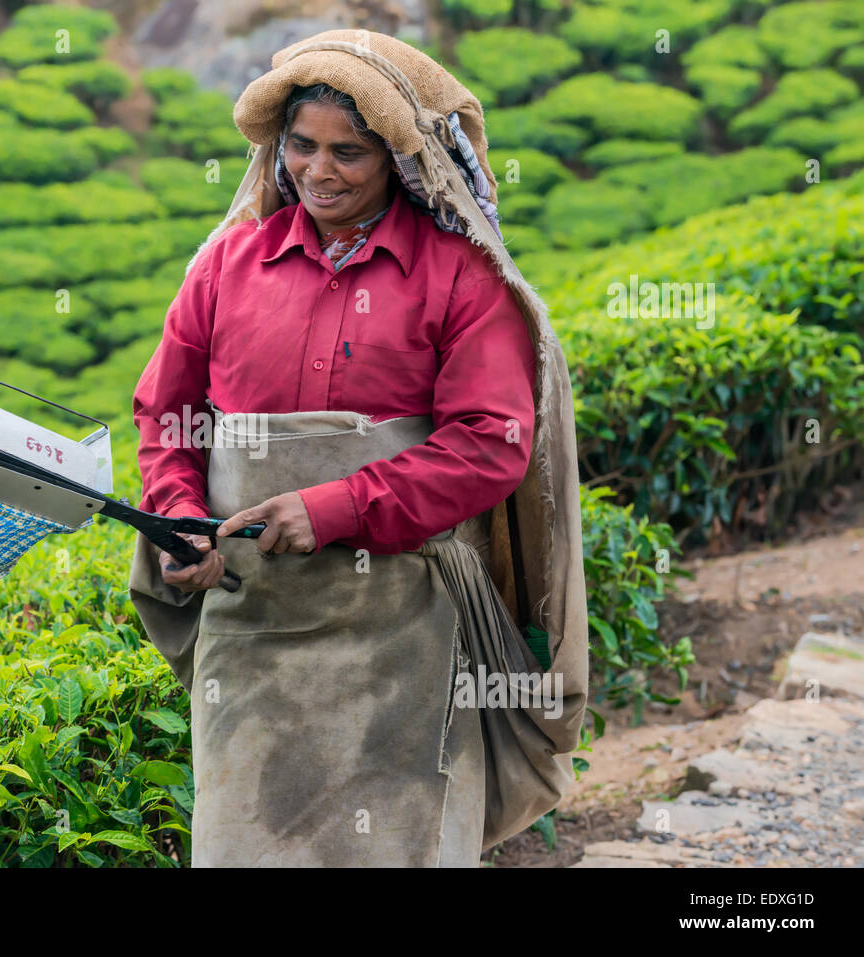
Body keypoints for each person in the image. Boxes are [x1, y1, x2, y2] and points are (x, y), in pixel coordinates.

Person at [128, 30, 588, 867]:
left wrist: (331, 507)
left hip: (400, 621)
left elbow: (490, 445)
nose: (319, 171)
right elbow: (167, 410)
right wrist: (180, 516)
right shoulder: (228, 265)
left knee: (400, 842)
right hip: (251, 616)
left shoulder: (457, 277)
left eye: (350, 153)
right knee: (244, 843)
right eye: (301, 146)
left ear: (399, 163)